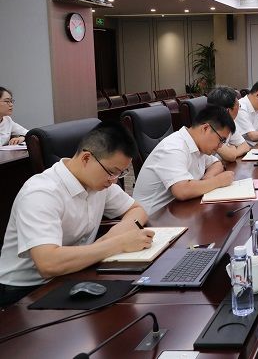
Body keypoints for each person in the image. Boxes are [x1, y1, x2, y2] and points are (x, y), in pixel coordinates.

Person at [0, 122, 154, 306]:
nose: (113, 181)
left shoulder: (98, 182)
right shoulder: (41, 192)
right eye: (112, 172)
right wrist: (118, 243)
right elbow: (48, 264)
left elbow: (137, 210)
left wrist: (118, 232)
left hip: (75, 273)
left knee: (138, 298)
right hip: (25, 291)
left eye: (120, 174)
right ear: (86, 158)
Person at [133, 105, 236, 214]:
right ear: (205, 128)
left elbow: (216, 164)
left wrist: (208, 179)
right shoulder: (174, 147)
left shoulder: (198, 145)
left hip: (178, 210)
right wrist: (218, 181)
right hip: (153, 217)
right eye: (221, 140)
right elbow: (182, 190)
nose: (220, 146)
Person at [207, 86, 251, 161]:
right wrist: (232, 149)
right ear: (228, 110)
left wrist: (233, 152)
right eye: (238, 106)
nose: (239, 109)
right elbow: (230, 156)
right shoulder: (209, 128)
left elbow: (245, 146)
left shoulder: (228, 122)